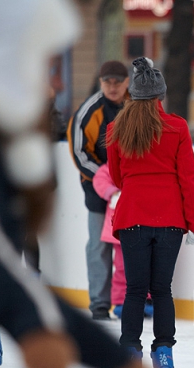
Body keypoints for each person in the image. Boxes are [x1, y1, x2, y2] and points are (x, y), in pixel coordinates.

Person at [0, 1, 160, 368]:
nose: (54, 82)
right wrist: (40, 329)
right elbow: (1, 273)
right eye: (41, 63)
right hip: (99, 197)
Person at [106, 57, 194, 368]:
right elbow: (189, 178)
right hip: (170, 220)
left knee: (135, 290)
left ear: (132, 95)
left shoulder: (117, 128)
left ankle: (130, 353)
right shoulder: (177, 127)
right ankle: (163, 354)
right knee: (162, 289)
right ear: (160, 96)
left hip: (133, 215)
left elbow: (118, 177)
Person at [67, 59, 129, 320]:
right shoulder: (89, 111)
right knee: (99, 244)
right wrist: (106, 181)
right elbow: (79, 152)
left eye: (117, 82)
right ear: (101, 83)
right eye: (107, 82)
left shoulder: (136, 106)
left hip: (131, 185)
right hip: (97, 186)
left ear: (127, 83)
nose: (112, 87)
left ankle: (130, 300)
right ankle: (99, 304)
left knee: (130, 245)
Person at [92, 163, 154, 320]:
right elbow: (100, 179)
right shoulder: (115, 165)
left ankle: (145, 299)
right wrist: (113, 193)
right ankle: (121, 302)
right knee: (122, 267)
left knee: (146, 265)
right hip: (121, 229)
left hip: (143, 226)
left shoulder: (148, 165)